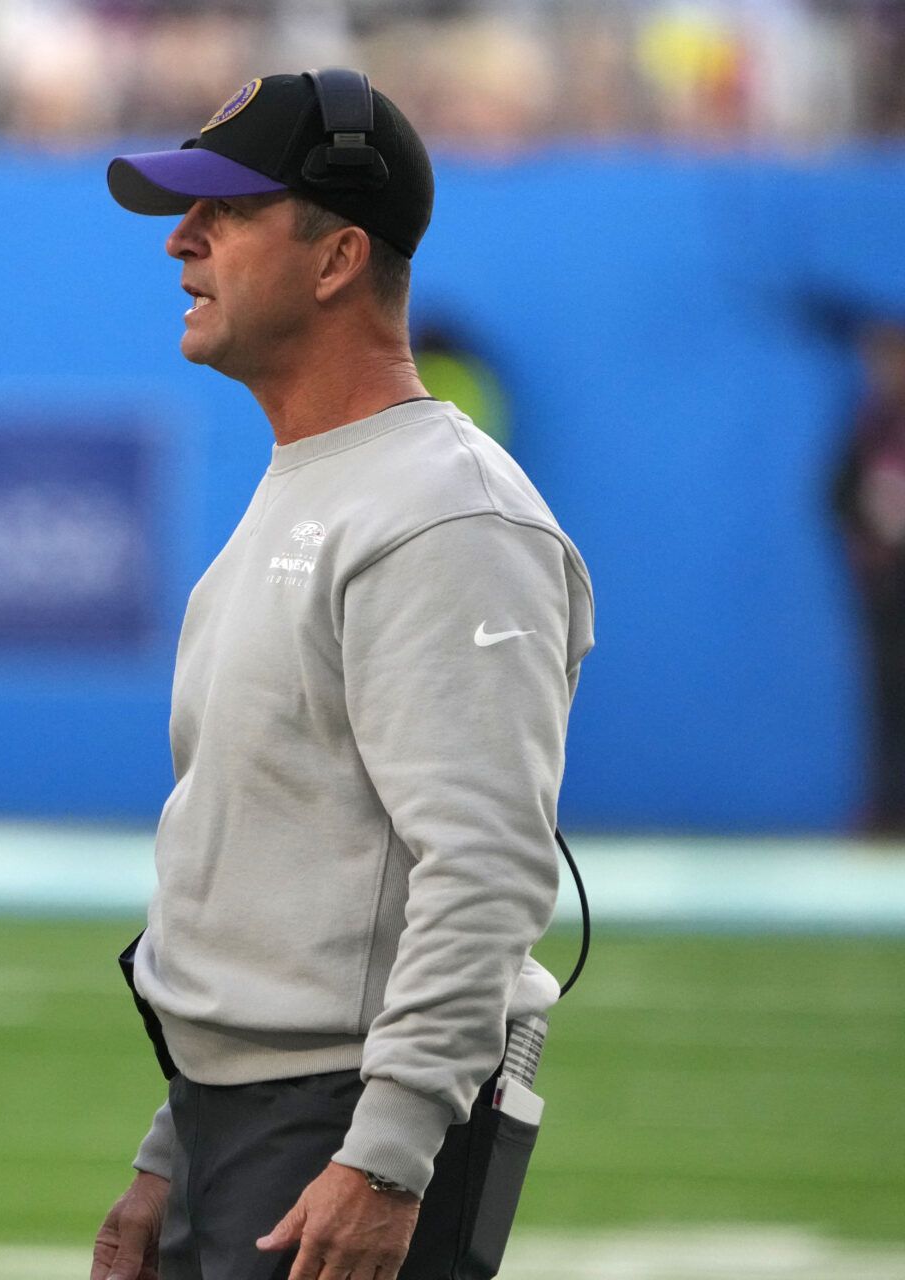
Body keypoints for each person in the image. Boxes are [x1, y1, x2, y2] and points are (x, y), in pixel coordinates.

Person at [90, 71, 594, 1280]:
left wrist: (386, 1153)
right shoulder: (320, 481)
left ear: (336, 258)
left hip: (343, 1127)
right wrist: (175, 1149)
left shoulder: (444, 514)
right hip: (251, 1120)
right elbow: (270, 854)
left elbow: (484, 864)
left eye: (225, 212)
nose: (181, 240)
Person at [833, 320, 905, 832]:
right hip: (885, 587)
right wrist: (869, 536)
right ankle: (886, 811)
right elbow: (837, 494)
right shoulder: (869, 421)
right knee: (886, 699)